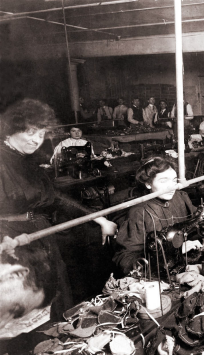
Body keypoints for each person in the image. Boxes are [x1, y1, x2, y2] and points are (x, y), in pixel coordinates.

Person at [0, 99, 117, 321]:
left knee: (54, 297)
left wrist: (100, 219)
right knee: (26, 309)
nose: (36, 140)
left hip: (41, 235)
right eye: (31, 132)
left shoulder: (28, 161)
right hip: (13, 241)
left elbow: (56, 199)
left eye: (41, 134)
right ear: (12, 129)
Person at [113, 157, 204, 276]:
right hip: (161, 274)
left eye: (174, 180)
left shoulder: (180, 197)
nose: (171, 186)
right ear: (148, 184)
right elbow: (125, 259)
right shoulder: (139, 213)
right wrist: (174, 252)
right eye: (163, 181)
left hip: (185, 264)